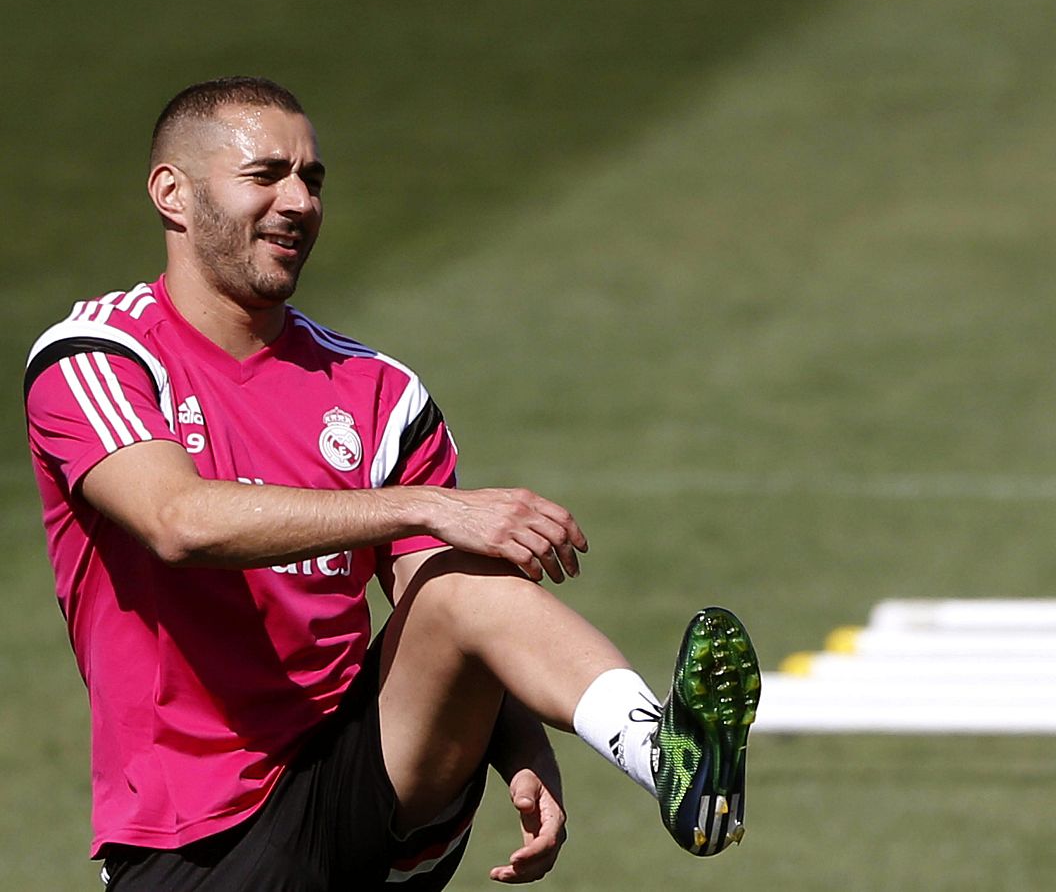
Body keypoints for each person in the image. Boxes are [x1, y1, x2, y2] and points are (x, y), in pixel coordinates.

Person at [22, 77, 761, 890]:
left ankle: (667, 756)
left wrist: (519, 744)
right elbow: (176, 519)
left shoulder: (378, 392)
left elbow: (453, 604)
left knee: (458, 577)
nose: (299, 201)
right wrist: (430, 504)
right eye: (266, 175)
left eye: (313, 179)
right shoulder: (98, 356)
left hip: (362, 784)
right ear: (173, 192)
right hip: (190, 837)